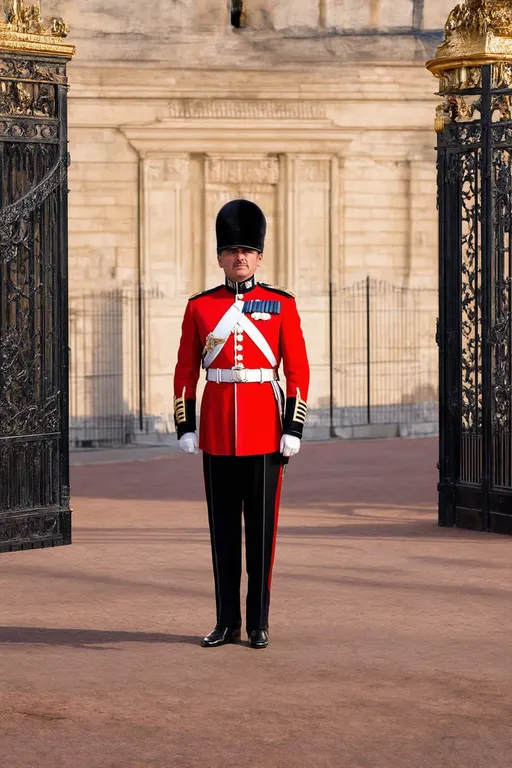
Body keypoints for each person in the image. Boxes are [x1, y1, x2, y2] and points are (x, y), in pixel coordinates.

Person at [173, 199, 310, 649]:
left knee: (262, 538)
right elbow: (185, 370)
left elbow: (298, 370)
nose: (239, 257)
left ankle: (259, 623)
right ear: (219, 256)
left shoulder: (281, 304)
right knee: (223, 536)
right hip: (216, 433)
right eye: (231, 250)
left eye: (247, 250)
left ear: (260, 255)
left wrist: (294, 426)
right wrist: (185, 425)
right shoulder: (200, 307)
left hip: (266, 433)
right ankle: (226, 622)